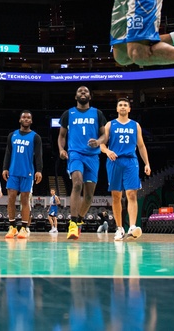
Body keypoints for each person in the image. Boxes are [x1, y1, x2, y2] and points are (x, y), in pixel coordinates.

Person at [96, 97, 150, 241]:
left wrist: (147, 163)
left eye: (126, 105)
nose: (123, 107)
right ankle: (119, 228)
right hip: (114, 162)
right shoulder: (109, 125)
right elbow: (101, 144)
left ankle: (132, 226)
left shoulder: (135, 125)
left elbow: (141, 146)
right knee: (116, 196)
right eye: (120, 105)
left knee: (132, 194)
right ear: (117, 108)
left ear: (129, 109)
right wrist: (107, 152)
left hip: (131, 161)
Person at [58, 86, 107, 240]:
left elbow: (104, 135)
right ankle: (72, 223)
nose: (83, 93)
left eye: (86, 91)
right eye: (80, 91)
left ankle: (79, 220)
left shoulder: (97, 113)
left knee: (88, 196)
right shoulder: (68, 114)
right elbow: (61, 135)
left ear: (90, 96)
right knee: (77, 183)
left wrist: (98, 142)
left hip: (92, 157)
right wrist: (61, 149)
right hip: (75, 154)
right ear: (76, 96)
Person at [2, 111, 43, 239]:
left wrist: (39, 170)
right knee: (11, 199)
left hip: (27, 172)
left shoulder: (35, 137)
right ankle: (12, 227)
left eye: (28, 117)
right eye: (24, 117)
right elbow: (8, 153)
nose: (26, 119)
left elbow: (39, 155)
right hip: (13, 171)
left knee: (24, 200)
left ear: (31, 121)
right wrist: (5, 168)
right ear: (20, 120)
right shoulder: (12, 135)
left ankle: (24, 228)